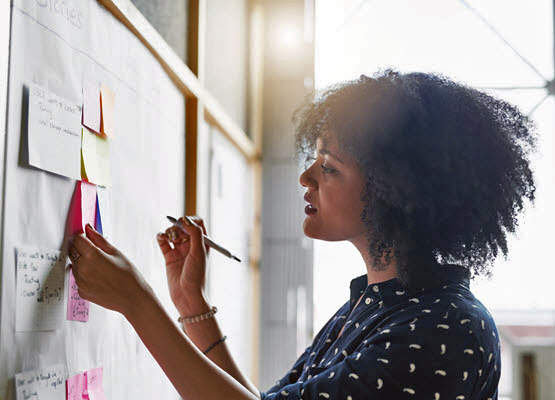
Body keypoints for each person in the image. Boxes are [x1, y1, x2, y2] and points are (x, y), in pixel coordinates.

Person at [68, 70, 537, 399]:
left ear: (397, 191)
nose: (306, 177)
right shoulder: (378, 304)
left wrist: (137, 302)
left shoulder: (446, 330)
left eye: (329, 166)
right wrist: (192, 306)